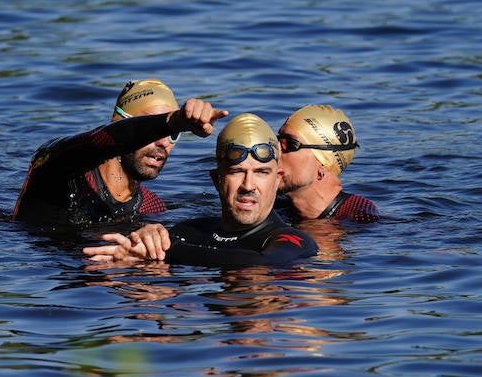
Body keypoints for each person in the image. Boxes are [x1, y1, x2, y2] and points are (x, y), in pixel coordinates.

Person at [85, 113, 318, 267]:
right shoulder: (193, 231)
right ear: (217, 180)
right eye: (237, 172)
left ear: (278, 180)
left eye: (261, 173)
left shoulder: (293, 241)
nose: (248, 186)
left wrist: (164, 253)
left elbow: (262, 264)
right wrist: (146, 237)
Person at [13, 78, 227, 231]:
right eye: (155, 130)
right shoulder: (64, 171)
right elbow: (98, 140)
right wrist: (171, 122)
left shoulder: (151, 206)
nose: (164, 142)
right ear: (121, 123)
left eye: (173, 135)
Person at [275, 104, 382, 224]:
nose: (275, 151)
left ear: (324, 165)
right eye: (276, 140)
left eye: (289, 144)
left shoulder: (359, 217)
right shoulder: (274, 208)